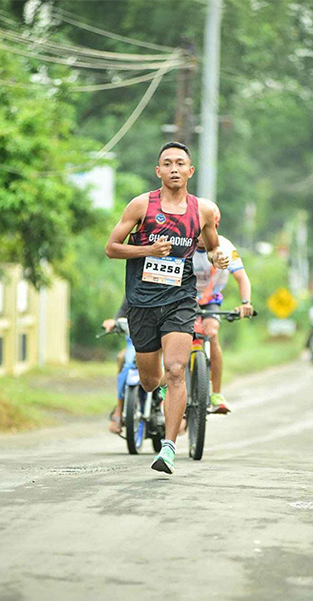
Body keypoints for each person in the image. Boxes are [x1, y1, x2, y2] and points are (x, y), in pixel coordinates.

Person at [104, 141, 226, 475]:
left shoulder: (202, 210)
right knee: (149, 380)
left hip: (180, 300)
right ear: (158, 171)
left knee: (175, 369)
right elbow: (112, 248)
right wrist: (147, 250)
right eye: (168, 163)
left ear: (190, 171)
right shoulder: (141, 205)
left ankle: (168, 448)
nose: (174, 169)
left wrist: (218, 257)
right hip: (142, 302)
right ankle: (160, 395)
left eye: (180, 163)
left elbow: (212, 247)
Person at [192, 213, 252, 415]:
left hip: (211, 299)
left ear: (214, 228)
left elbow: (242, 278)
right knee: (176, 340)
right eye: (198, 229)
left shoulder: (225, 247)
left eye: (206, 229)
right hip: (184, 299)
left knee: (212, 333)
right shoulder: (183, 244)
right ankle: (167, 390)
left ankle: (216, 394)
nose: (201, 235)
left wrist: (245, 303)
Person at [102, 297, 131, 435]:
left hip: (161, 343)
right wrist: (114, 321)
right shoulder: (135, 290)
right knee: (122, 359)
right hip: (135, 343)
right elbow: (122, 311)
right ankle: (119, 409)